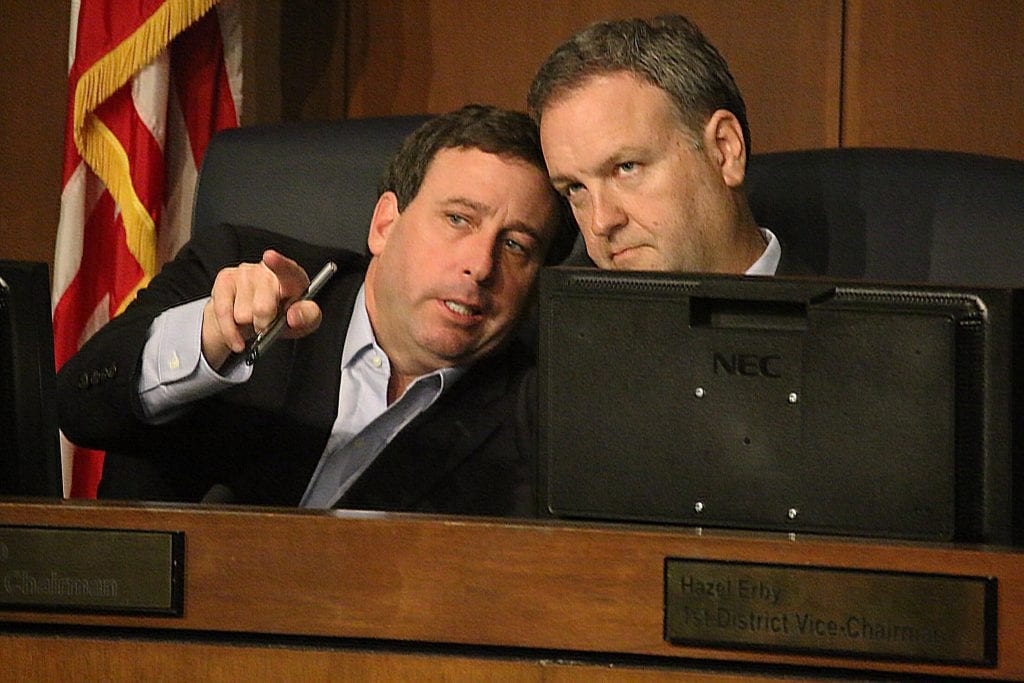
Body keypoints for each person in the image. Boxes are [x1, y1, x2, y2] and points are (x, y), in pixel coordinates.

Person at [56, 105, 573, 516]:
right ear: (385, 224)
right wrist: (210, 340)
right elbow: (80, 407)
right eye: (459, 219)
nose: (481, 266)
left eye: (516, 246)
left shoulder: (538, 410)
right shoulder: (236, 271)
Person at [527, 15, 814, 276]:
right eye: (575, 188)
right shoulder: (566, 330)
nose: (600, 223)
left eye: (626, 168)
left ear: (724, 150)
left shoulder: (845, 330)